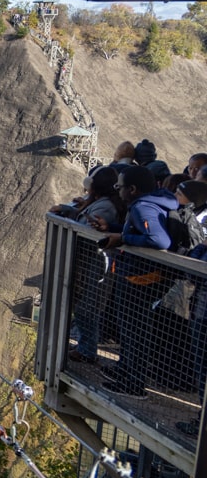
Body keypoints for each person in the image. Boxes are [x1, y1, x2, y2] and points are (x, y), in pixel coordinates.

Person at [97, 166, 179, 398]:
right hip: (144, 277)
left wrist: (122, 239)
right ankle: (125, 372)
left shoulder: (143, 206)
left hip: (140, 279)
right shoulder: (152, 203)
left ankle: (132, 383)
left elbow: (159, 240)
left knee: (134, 331)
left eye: (120, 186)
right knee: (132, 329)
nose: (118, 190)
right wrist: (112, 229)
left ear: (132, 189)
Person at [53, 165, 123, 365]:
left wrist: (66, 213)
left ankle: (87, 351)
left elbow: (85, 230)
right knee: (85, 306)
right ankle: (85, 347)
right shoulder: (101, 202)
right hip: (92, 263)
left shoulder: (106, 207)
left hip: (98, 264)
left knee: (87, 307)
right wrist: (70, 208)